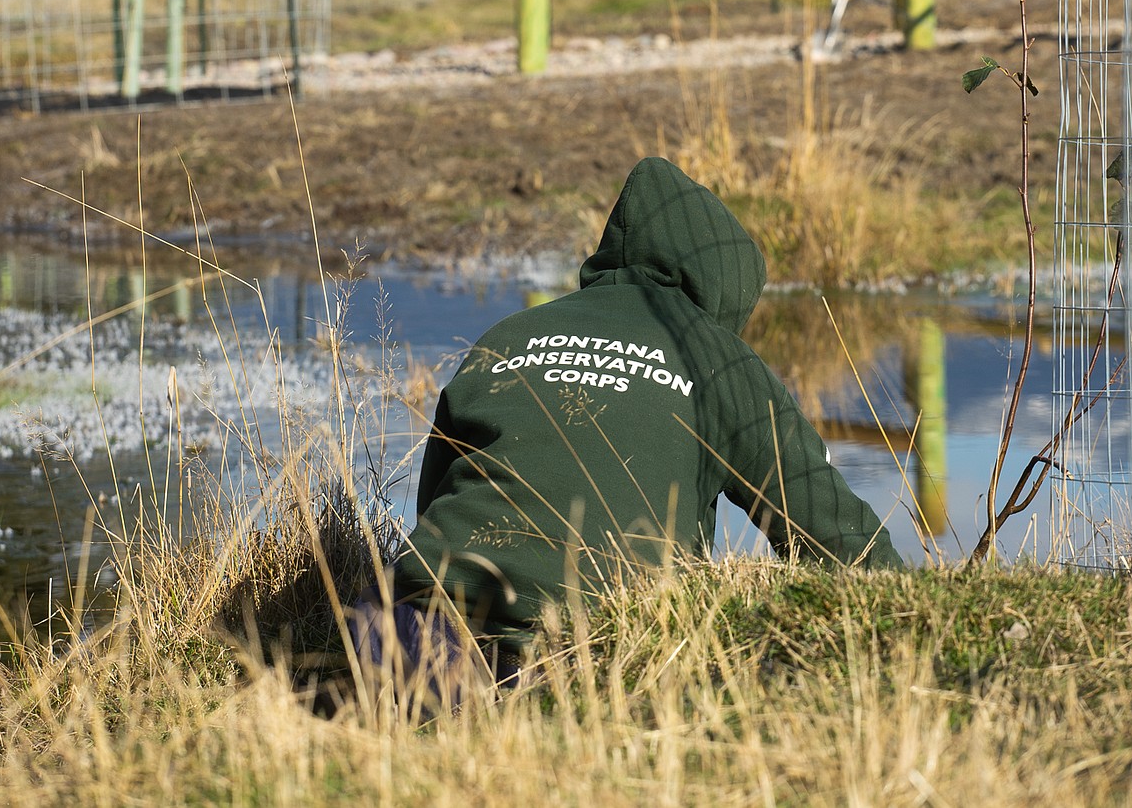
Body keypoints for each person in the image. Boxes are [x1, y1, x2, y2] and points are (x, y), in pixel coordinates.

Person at [357, 157, 902, 697]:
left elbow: (431, 503)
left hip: (409, 634)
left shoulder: (511, 334)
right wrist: (913, 624)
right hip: (602, 653)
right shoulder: (722, 362)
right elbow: (836, 539)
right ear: (728, 290)